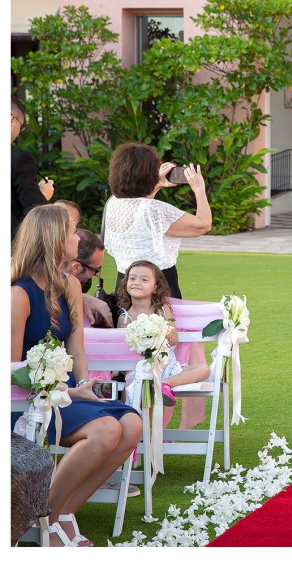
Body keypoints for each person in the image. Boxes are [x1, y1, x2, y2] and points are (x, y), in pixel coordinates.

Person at [11, 204, 141, 547]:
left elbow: (76, 348)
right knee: (105, 430)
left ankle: (62, 513)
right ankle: (46, 521)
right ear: (54, 239)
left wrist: (83, 385)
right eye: (71, 231)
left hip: (65, 393)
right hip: (26, 400)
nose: (76, 237)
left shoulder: (69, 284)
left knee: (131, 425)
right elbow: (10, 371)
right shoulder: (19, 294)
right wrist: (60, 390)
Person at [104, 143, 212, 298]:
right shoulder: (153, 210)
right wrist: (199, 190)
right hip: (158, 286)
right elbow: (203, 224)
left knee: (127, 321)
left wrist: (156, 185)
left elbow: (139, 203)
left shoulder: (112, 202)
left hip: (125, 284)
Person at [117, 260, 211, 407]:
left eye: (144, 280)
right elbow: (124, 349)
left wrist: (160, 333)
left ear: (155, 287)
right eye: (132, 278)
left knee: (204, 369)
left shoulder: (162, 309)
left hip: (167, 365)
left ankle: (164, 384)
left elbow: (174, 340)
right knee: (132, 392)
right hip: (139, 369)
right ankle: (137, 423)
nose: (136, 282)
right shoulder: (124, 318)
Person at [11, 95, 53, 238]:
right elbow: (32, 210)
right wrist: (43, 195)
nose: (18, 133)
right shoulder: (18, 158)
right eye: (20, 126)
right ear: (11, 119)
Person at [63, 228, 114, 328]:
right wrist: (79, 298)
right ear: (76, 267)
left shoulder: (83, 284)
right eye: (95, 269)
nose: (98, 274)